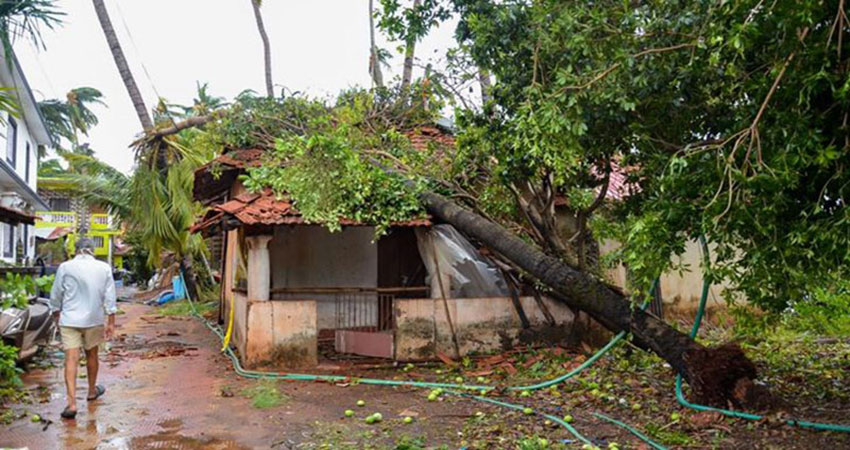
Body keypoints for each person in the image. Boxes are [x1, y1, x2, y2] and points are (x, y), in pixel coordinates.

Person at [49, 237, 117, 420]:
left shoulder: (65, 267)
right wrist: (111, 321)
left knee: (71, 358)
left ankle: (71, 404)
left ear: (76, 250)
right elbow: (110, 296)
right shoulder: (103, 268)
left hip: (69, 319)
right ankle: (91, 391)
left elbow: (56, 294)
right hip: (93, 319)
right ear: (92, 250)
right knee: (92, 355)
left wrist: (56, 312)